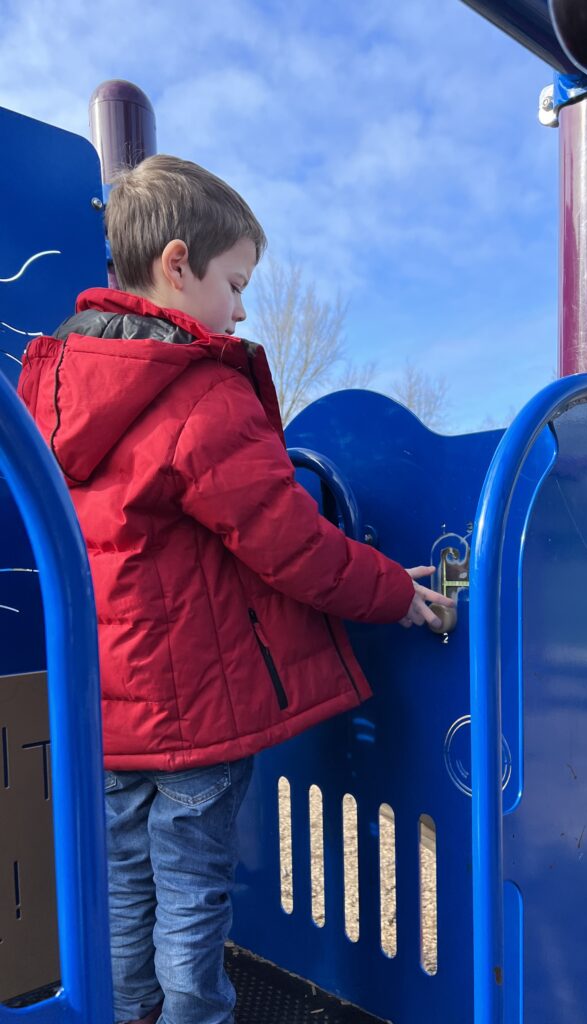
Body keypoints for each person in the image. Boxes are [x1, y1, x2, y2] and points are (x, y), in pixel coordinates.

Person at [17, 154, 453, 1024]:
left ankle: (126, 1012)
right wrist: (393, 592)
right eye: (237, 281)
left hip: (101, 707)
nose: (245, 308)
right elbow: (287, 540)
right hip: (193, 711)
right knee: (190, 890)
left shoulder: (54, 383)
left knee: (121, 882)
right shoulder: (198, 394)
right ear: (177, 265)